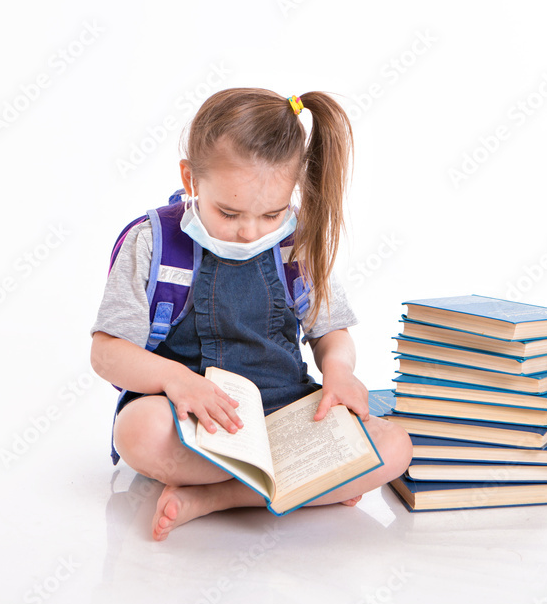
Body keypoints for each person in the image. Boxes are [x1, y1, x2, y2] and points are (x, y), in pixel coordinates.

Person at [90, 88, 412, 541]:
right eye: (229, 212)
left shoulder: (296, 242)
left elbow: (330, 331)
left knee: (393, 447)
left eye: (271, 214)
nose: (249, 232)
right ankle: (301, 484)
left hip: (287, 414)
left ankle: (217, 496)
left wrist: (338, 371)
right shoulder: (151, 243)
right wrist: (175, 380)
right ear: (191, 179)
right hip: (196, 423)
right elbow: (107, 353)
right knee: (137, 430)